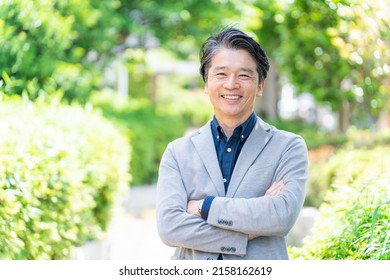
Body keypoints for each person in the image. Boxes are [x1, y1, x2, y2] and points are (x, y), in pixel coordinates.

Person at [156, 27, 308, 260]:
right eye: (221, 74)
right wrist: (245, 232)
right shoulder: (178, 152)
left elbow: (281, 216)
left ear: (260, 86)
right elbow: (169, 227)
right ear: (206, 83)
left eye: (244, 75)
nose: (231, 84)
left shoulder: (288, 147)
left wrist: (203, 207)